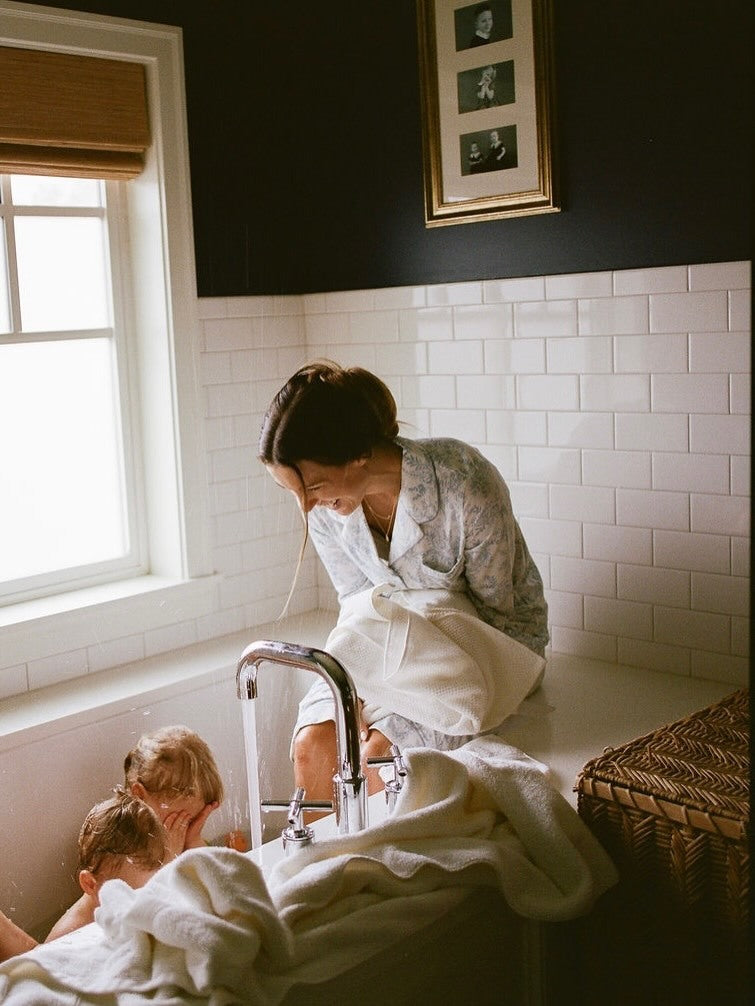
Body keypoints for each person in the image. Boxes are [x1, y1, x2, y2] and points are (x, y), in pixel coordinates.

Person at [258, 361, 548, 803]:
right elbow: (357, 600)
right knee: (313, 747)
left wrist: (396, 696)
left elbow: (496, 616)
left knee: (378, 759)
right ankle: (326, 871)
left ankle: (373, 865)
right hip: (387, 644)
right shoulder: (326, 511)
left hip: (484, 652)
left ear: (358, 452)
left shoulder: (463, 482)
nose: (308, 504)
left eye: (313, 486)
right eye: (294, 492)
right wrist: (352, 685)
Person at [1, 791, 166, 960]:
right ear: (90, 884)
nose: (135, 902)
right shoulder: (69, 933)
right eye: (125, 892)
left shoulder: (137, 884)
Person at [123, 725, 225, 860]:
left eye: (195, 820)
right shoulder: (123, 849)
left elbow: (211, 875)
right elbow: (151, 881)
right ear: (140, 798)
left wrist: (193, 842)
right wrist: (169, 856)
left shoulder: (189, 840)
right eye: (183, 821)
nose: (188, 830)